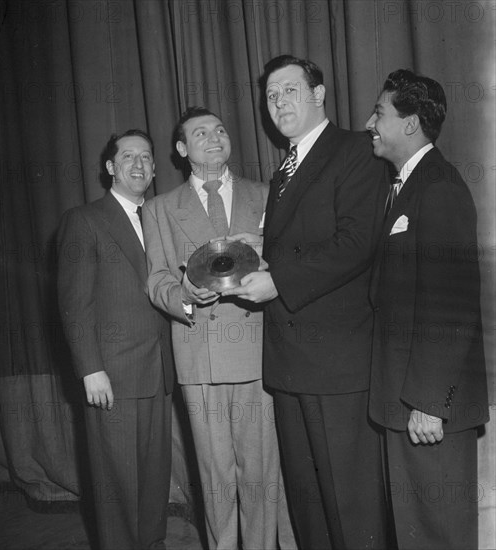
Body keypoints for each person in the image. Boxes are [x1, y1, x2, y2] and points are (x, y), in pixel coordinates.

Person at [222, 55, 388, 549]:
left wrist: (278, 282)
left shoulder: (357, 151)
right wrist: (259, 249)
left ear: (319, 95)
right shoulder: (283, 172)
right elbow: (304, 241)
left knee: (352, 511)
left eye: (290, 90)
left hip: (337, 365)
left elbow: (357, 243)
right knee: (309, 504)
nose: (278, 103)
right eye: (271, 95)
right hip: (291, 364)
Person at [142, 107, 295, 550]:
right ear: (182, 149)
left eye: (221, 130)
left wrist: (264, 255)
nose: (215, 138)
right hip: (200, 355)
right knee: (214, 476)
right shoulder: (159, 209)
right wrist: (186, 291)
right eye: (201, 133)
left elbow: (288, 260)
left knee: (262, 473)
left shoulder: (267, 195)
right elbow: (157, 280)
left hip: (258, 352)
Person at [365, 69, 489, 550]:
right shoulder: (405, 186)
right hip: (408, 398)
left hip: (428, 405)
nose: (371, 123)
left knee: (437, 535)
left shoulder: (437, 187)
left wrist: (429, 402)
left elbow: (450, 304)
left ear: (411, 123)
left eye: (379, 113)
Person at [57, 129, 174, 550]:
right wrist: (90, 369)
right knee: (117, 487)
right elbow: (75, 303)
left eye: (146, 157)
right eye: (128, 157)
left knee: (153, 480)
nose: (139, 165)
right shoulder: (84, 219)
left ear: (156, 168)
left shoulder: (161, 217)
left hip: (159, 372)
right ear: (110, 168)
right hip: (112, 375)